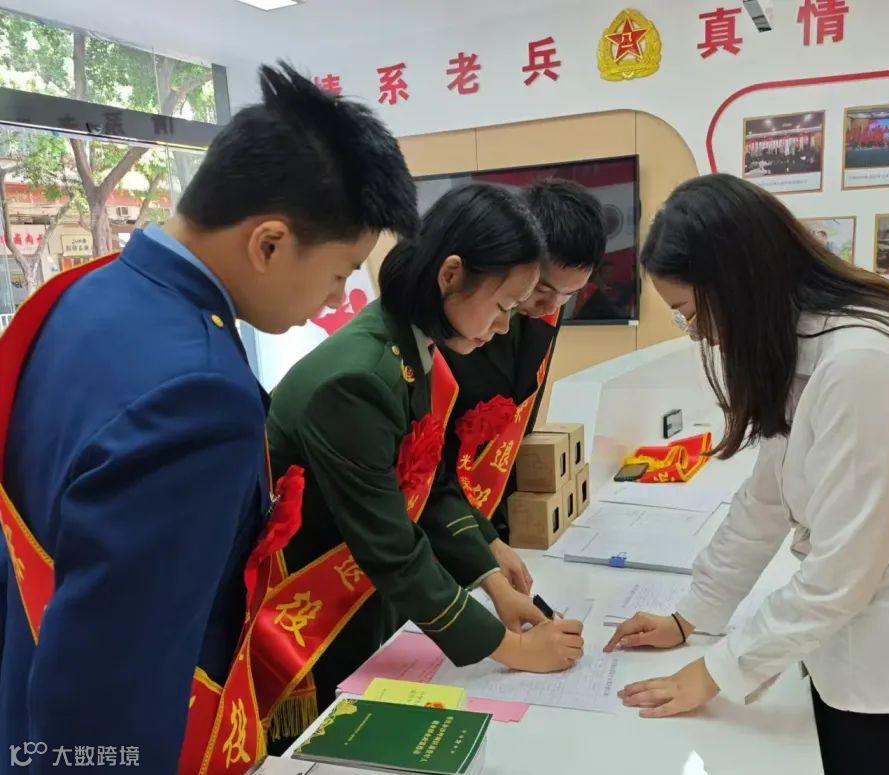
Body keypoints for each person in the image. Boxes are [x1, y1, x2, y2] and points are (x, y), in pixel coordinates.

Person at [0, 63, 417, 773]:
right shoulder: (201, 394)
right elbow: (115, 687)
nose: (335, 297)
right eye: (341, 271)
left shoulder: (81, 297)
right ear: (269, 242)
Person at [604, 174, 889, 775]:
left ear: (740, 283)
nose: (699, 333)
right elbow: (764, 500)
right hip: (869, 660)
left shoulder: (865, 363)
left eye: (690, 313)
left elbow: (842, 573)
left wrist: (716, 671)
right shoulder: (803, 347)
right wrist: (692, 615)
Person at [262, 183, 585, 737]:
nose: (503, 327)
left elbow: (426, 481)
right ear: (451, 275)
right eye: (502, 307)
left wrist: (492, 579)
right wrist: (514, 650)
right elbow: (391, 545)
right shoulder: (358, 380)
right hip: (308, 606)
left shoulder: (411, 346)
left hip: (359, 591)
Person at [440, 180, 606, 548]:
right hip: (443, 516)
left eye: (570, 295)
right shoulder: (465, 321)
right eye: (543, 289)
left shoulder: (546, 313)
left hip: (496, 512)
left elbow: (521, 410)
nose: (552, 307)